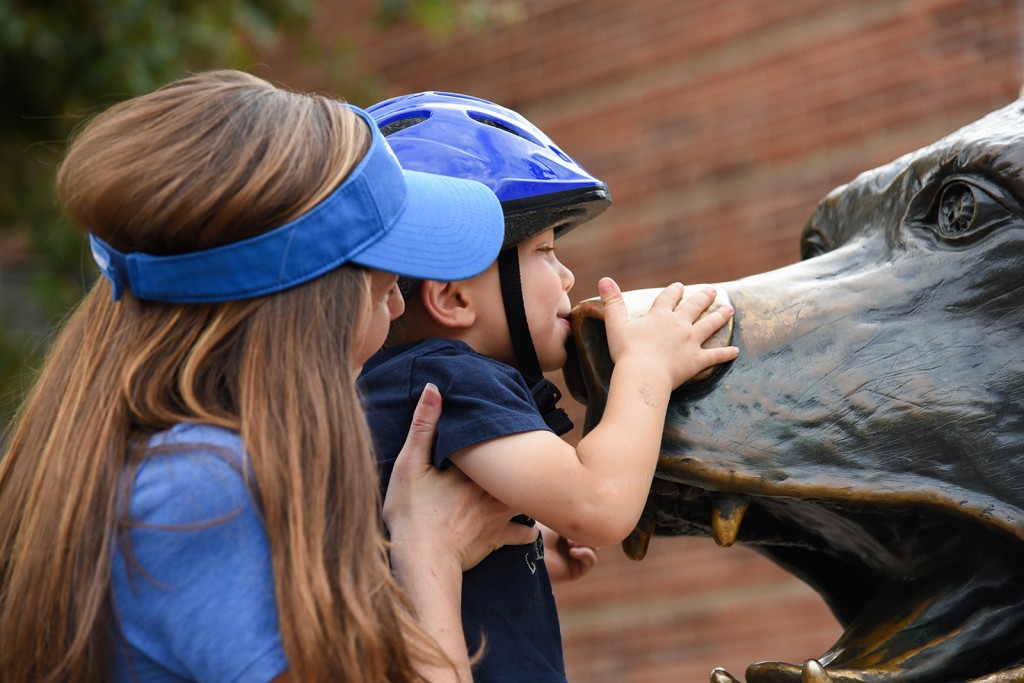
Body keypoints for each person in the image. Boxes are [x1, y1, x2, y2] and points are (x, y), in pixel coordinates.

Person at [0, 70, 540, 683]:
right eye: (384, 288)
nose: (395, 313)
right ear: (306, 313)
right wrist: (426, 554)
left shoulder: (164, 474)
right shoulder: (203, 492)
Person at [358, 92, 740, 681]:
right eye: (545, 250)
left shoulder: (397, 383)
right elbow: (598, 504)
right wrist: (647, 368)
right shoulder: (449, 377)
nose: (566, 276)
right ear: (453, 298)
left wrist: (525, 541)